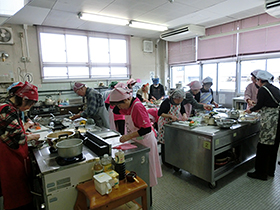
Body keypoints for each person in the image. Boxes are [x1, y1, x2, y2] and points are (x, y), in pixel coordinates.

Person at [109, 87, 162, 188]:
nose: (120, 108)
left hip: (145, 141)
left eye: (120, 105)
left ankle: (147, 192)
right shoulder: (128, 104)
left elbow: (146, 129)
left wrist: (128, 136)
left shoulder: (137, 107)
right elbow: (115, 110)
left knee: (147, 170)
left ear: (126, 99)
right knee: (140, 169)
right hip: (137, 140)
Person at [0, 81, 40, 210]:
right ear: (21, 98)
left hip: (10, 153)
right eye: (29, 104)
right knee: (15, 189)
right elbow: (19, 138)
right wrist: (33, 136)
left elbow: (12, 131)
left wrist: (24, 130)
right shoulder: (8, 109)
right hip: (8, 157)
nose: (29, 107)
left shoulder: (10, 107)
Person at [246, 70, 280, 181]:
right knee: (273, 147)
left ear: (259, 80)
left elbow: (259, 105)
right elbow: (268, 103)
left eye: (257, 80)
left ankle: (260, 173)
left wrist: (250, 110)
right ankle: (270, 171)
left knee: (263, 147)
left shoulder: (263, 89)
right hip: (277, 121)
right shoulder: (275, 89)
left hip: (270, 122)